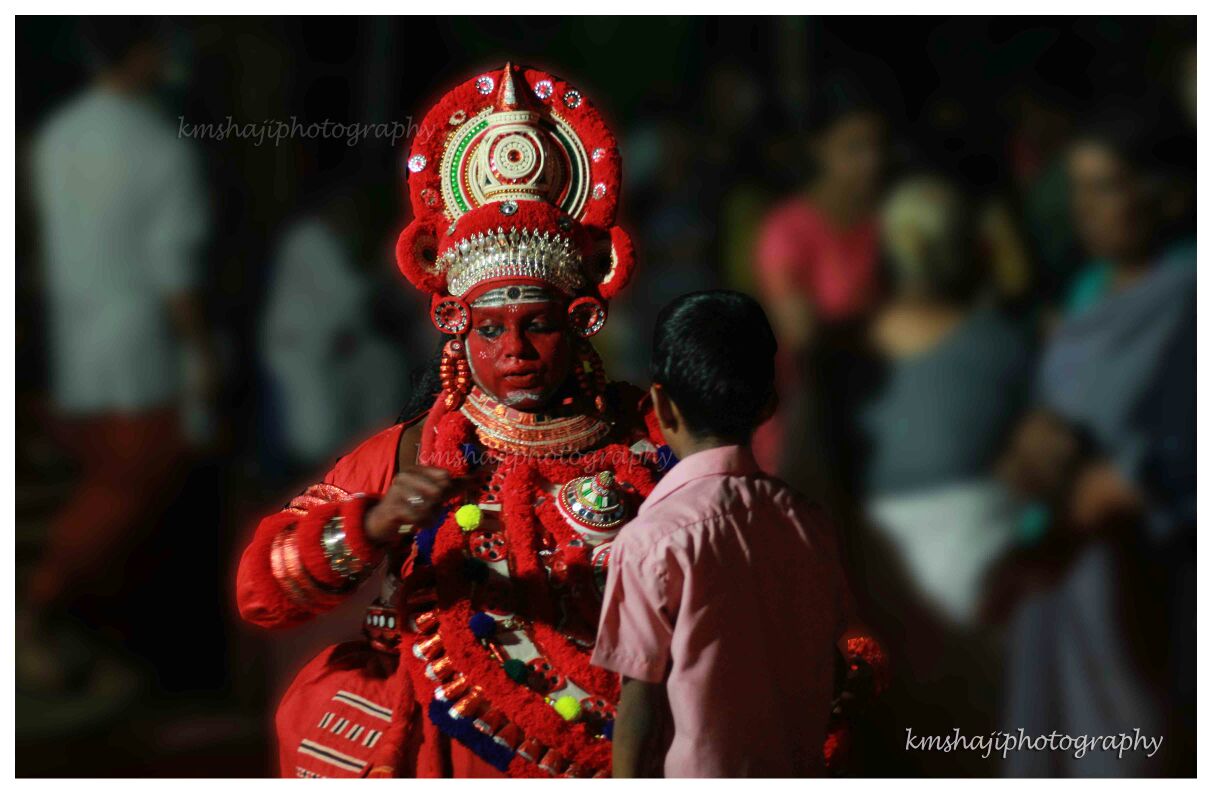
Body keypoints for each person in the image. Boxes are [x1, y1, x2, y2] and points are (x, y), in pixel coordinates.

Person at [236, 64, 667, 778]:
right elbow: (263, 590)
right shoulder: (415, 452)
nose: (515, 350)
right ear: (456, 328)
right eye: (490, 329)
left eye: (537, 325)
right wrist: (372, 525)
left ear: (581, 320)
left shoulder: (644, 438)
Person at [993, 101, 1195, 776]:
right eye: (1075, 188)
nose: (1084, 209)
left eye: (1103, 186)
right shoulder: (1087, 291)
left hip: (1151, 577)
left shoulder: (1191, 294)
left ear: (1167, 195)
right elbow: (1055, 400)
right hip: (1062, 571)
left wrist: (1120, 481)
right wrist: (1029, 445)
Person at [20, 17, 214, 694]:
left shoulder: (57, 135)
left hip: (74, 344)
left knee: (104, 486)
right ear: (143, 55)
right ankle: (33, 610)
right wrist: (201, 355)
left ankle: (63, 623)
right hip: (136, 351)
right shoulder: (159, 146)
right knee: (128, 488)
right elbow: (172, 271)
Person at [592, 290, 851, 777]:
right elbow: (832, 664)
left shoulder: (652, 541)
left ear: (662, 406)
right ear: (769, 406)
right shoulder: (810, 523)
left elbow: (640, 702)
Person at [751, 71, 887, 473]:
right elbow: (800, 334)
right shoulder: (788, 230)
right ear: (820, 148)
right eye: (854, 147)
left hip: (876, 417)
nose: (872, 162)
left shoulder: (886, 220)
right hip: (808, 430)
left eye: (878, 146)